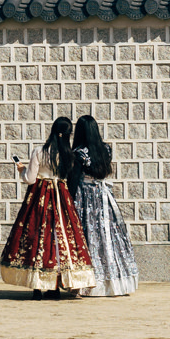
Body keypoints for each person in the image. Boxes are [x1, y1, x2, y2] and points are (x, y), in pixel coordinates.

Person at [0, 116, 96, 295]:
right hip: (61, 196)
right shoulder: (70, 155)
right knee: (62, 237)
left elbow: (29, 179)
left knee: (37, 236)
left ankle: (38, 285)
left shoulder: (39, 152)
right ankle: (56, 284)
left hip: (40, 196)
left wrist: (21, 169)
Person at [68, 115, 138, 297]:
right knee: (109, 234)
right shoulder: (106, 149)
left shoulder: (78, 152)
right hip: (104, 196)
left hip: (85, 197)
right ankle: (116, 281)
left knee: (88, 235)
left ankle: (88, 282)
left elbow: (74, 180)